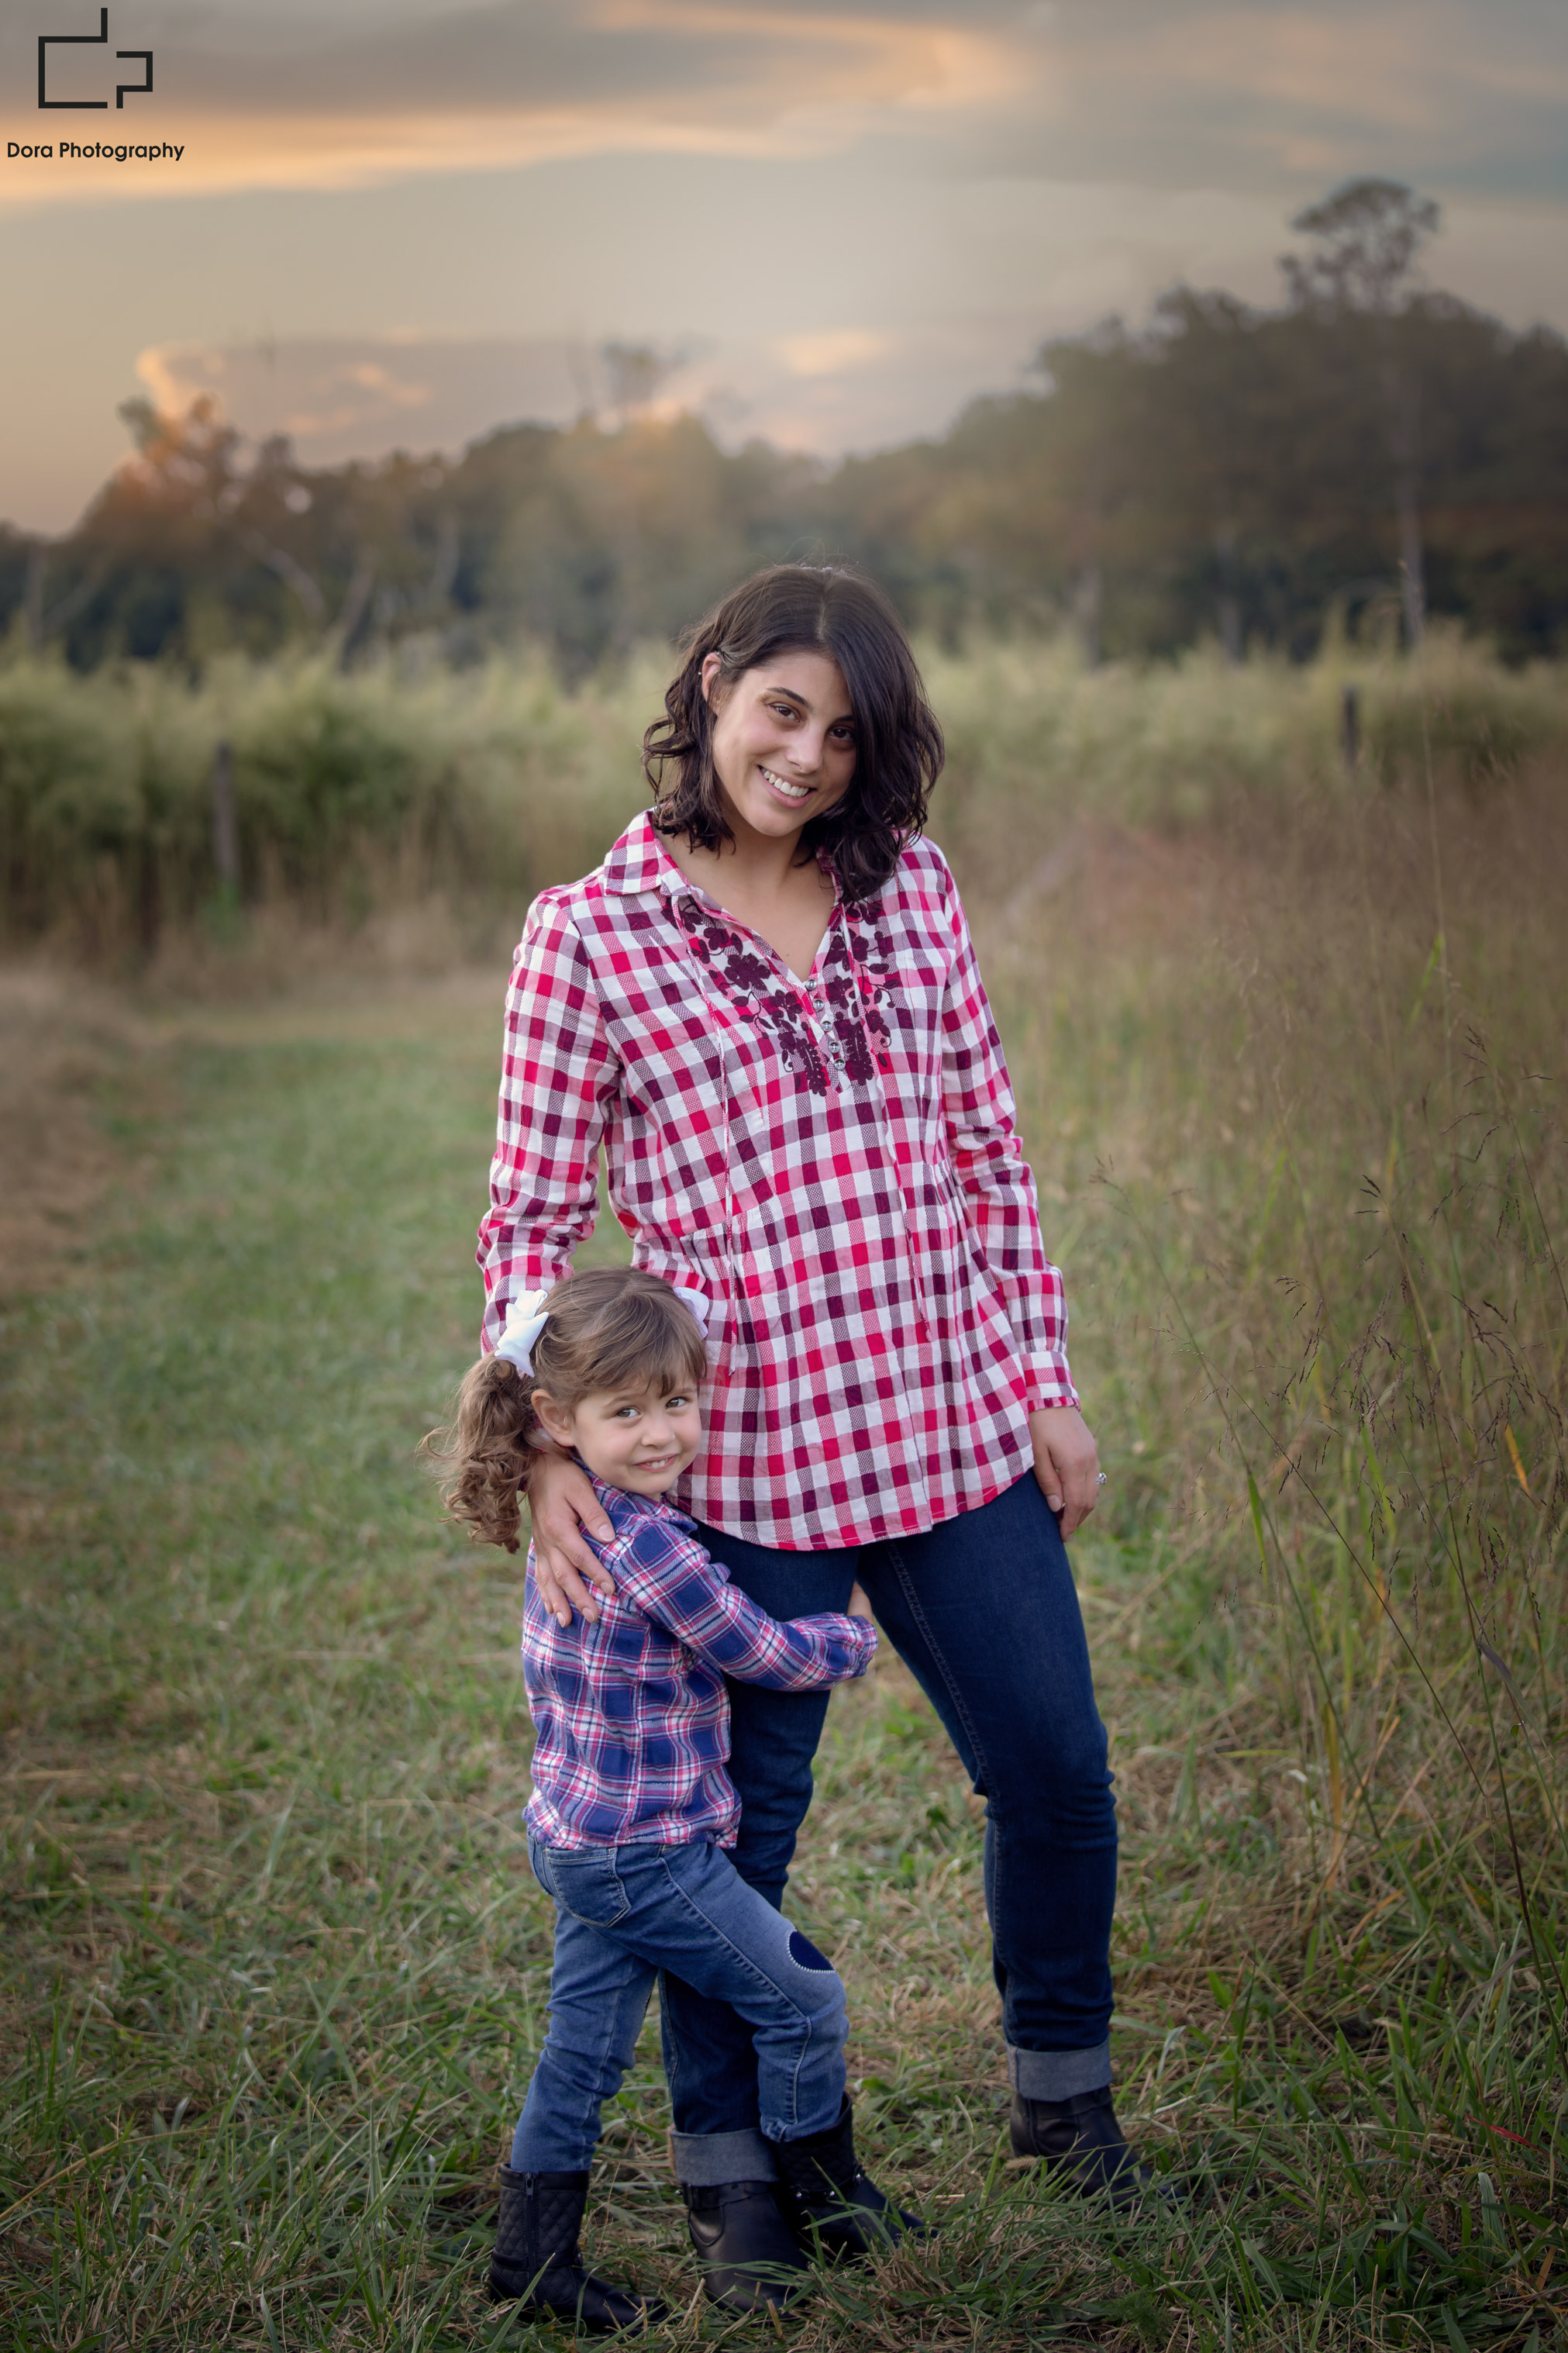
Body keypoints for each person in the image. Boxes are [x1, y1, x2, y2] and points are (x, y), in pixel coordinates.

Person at [477, 563, 1153, 2304]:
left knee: (1057, 1775)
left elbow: (988, 1159)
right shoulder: (590, 935)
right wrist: (549, 1445)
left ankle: (1063, 2103)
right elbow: (525, 1230)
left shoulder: (910, 891)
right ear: (712, 685)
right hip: (743, 1467)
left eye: (847, 733)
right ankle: (741, 2183)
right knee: (732, 1851)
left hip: (943, 1425)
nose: (808, 755)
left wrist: (1043, 1380)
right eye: (784, 708)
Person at [431, 1265, 918, 2329]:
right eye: (628, 1413)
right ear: (555, 1421)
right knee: (804, 2000)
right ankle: (821, 2195)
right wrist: (852, 1635)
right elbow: (758, 1651)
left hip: (577, 1836)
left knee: (584, 2051)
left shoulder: (584, 1518)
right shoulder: (647, 1544)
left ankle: (531, 2258)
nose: (662, 1435)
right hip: (651, 1851)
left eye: (678, 1404)